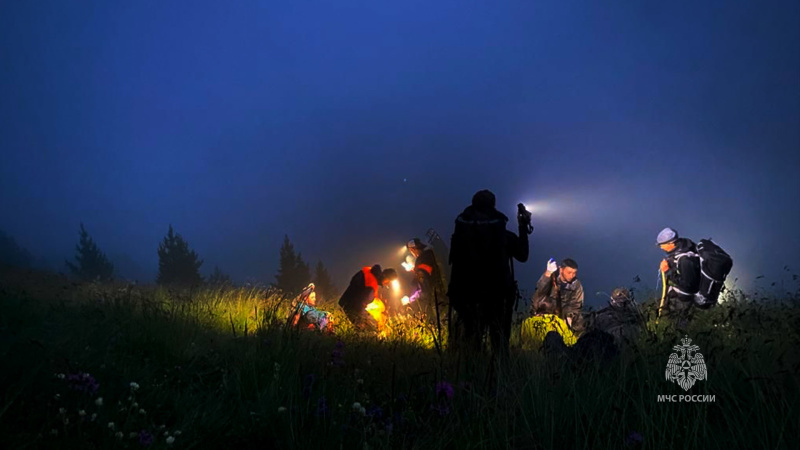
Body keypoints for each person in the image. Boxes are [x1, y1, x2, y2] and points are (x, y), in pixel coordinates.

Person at [447, 189, 530, 358]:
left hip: (466, 296)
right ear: (493, 206)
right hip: (498, 296)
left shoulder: (462, 236)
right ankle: (498, 378)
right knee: (499, 344)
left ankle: (468, 377)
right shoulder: (503, 236)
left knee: (470, 341)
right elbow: (523, 255)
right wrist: (523, 225)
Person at [406, 237, 450, 339]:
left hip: (437, 294)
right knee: (447, 316)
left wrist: (411, 298)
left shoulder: (421, 261)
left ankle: (447, 340)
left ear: (413, 249)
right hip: (444, 290)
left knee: (443, 319)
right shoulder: (431, 254)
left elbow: (424, 285)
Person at [532, 258, 585, 335]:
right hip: (548, 309)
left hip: (565, 312)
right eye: (569, 272)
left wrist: (569, 316)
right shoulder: (552, 277)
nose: (572, 276)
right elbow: (540, 290)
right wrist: (548, 273)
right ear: (561, 270)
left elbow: (576, 305)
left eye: (574, 273)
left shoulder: (577, 285)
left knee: (580, 321)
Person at [656, 227, 700, 322]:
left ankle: (684, 336)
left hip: (684, 299)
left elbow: (688, 285)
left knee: (679, 324)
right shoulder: (683, 245)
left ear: (671, 243)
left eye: (662, 245)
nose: (660, 247)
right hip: (680, 295)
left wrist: (668, 271)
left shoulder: (686, 260)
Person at [338, 265, 398, 331]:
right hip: (350, 308)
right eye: (389, 281)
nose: (388, 284)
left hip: (344, 302)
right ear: (385, 276)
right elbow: (360, 306)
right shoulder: (372, 285)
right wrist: (367, 318)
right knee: (370, 330)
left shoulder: (369, 272)